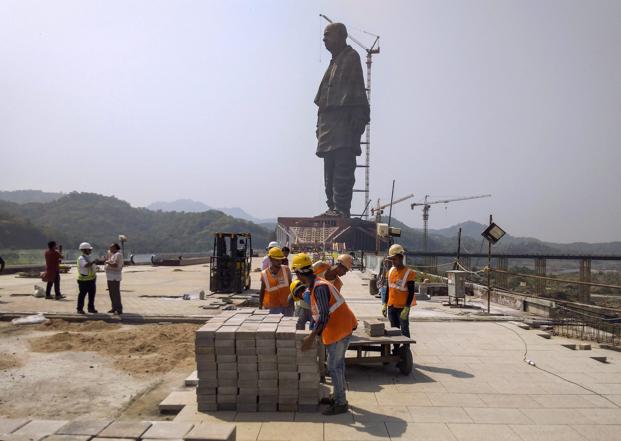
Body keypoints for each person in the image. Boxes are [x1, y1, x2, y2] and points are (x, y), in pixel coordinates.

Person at [315, 23, 370, 218]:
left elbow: (357, 91)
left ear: (341, 36)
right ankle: (332, 207)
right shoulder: (333, 63)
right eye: (323, 35)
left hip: (344, 125)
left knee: (342, 170)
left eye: (328, 35)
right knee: (329, 172)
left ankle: (341, 209)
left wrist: (358, 116)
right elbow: (321, 101)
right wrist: (318, 126)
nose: (324, 39)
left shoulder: (350, 58)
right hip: (328, 127)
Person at [295, 253, 357, 415]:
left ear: (299, 275)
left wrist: (311, 337)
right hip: (340, 327)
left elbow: (324, 315)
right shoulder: (318, 283)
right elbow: (320, 314)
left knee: (333, 367)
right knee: (338, 365)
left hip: (340, 329)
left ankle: (340, 403)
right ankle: (339, 395)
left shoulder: (319, 287)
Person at [382, 244, 416, 344]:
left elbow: (411, 292)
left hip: (402, 308)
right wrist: (384, 304)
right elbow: (388, 288)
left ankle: (405, 352)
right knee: (394, 330)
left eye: (395, 259)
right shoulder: (390, 271)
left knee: (404, 330)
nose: (393, 262)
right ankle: (396, 351)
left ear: (401, 258)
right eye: (392, 259)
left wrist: (407, 307)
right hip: (391, 306)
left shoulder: (409, 273)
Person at [259, 247, 292, 315]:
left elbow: (291, 286)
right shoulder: (264, 274)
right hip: (271, 307)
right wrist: (260, 305)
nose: (279, 262)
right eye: (277, 260)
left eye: (280, 260)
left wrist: (292, 303)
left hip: (286, 306)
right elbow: (262, 290)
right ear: (270, 259)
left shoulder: (286, 270)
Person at [76, 242, 99, 314]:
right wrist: (93, 262)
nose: (90, 251)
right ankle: (79, 309)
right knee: (82, 295)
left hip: (91, 279)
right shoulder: (81, 258)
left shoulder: (89, 257)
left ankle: (91, 308)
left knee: (91, 295)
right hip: (83, 280)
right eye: (89, 249)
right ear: (84, 250)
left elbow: (92, 266)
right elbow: (86, 265)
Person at [105, 243, 124, 314]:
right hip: (110, 277)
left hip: (114, 277)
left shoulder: (118, 255)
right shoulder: (113, 255)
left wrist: (107, 262)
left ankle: (119, 309)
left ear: (116, 248)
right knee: (111, 293)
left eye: (111, 247)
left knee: (115, 293)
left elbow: (115, 265)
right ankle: (114, 307)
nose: (110, 249)